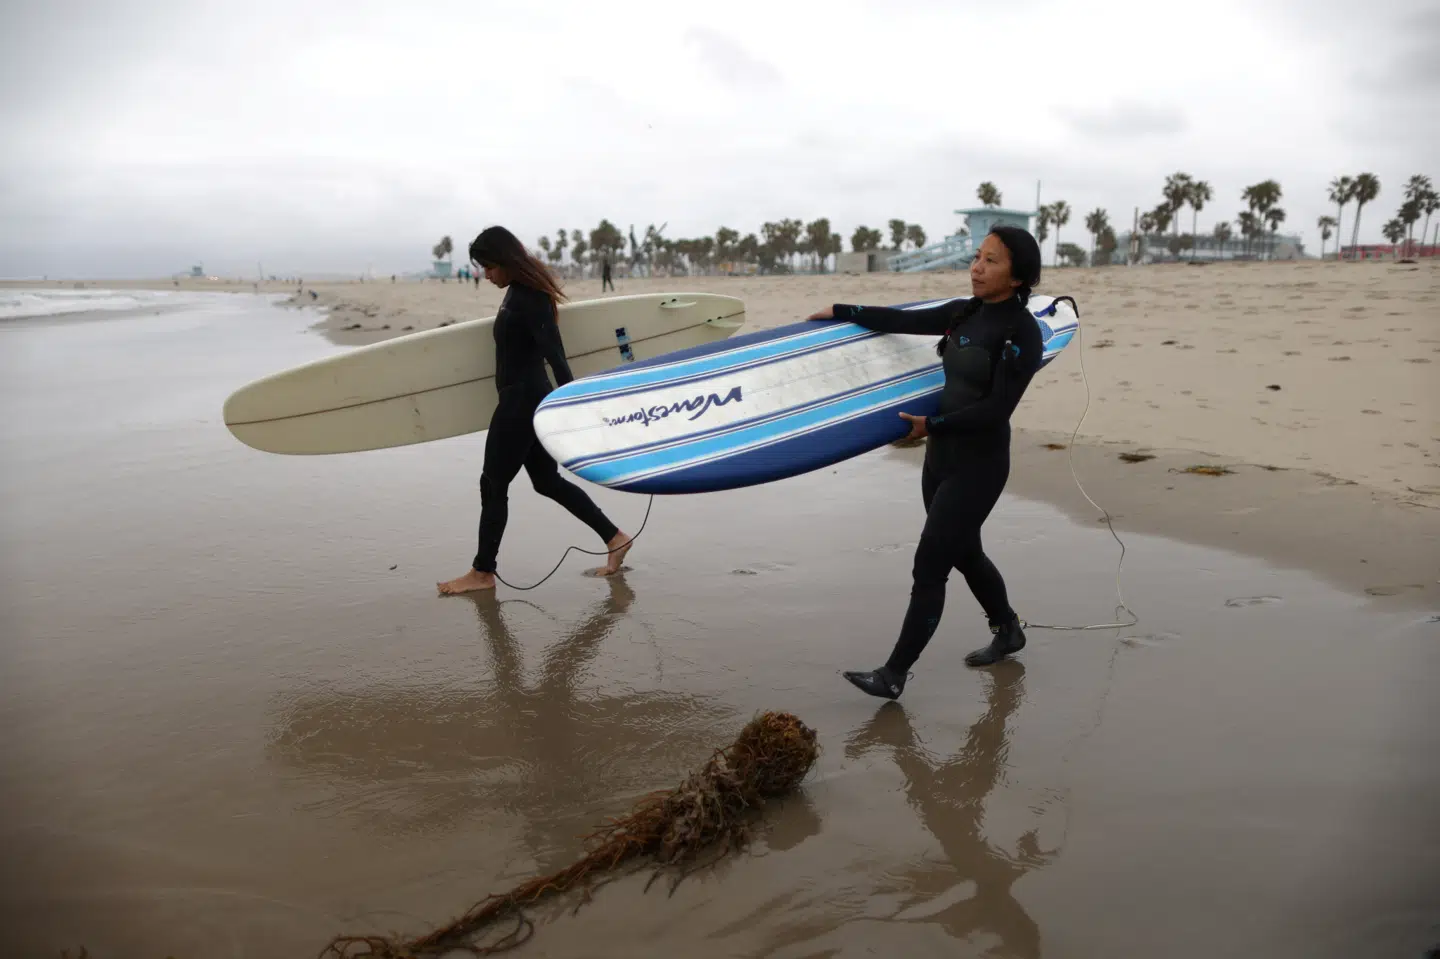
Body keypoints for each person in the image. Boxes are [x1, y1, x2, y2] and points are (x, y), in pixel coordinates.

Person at [805, 226, 1046, 699]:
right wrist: (842, 311)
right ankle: (1008, 629)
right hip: (940, 460)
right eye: (977, 257)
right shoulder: (965, 312)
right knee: (964, 552)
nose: (977, 267)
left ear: (1018, 278)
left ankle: (894, 673)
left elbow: (998, 409)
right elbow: (901, 321)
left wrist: (931, 426)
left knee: (929, 565)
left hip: (979, 464)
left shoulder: (1021, 332)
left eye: (991, 261)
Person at [438, 226, 633, 595]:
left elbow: (556, 356)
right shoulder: (514, 292)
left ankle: (482, 572)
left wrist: (572, 406)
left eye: (489, 267)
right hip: (523, 398)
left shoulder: (531, 298)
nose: (486, 274)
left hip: (522, 402)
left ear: (505, 261)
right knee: (546, 482)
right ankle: (615, 537)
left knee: (492, 484)